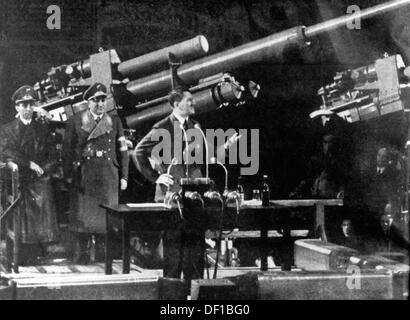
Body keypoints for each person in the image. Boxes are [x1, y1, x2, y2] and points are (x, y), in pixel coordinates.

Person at [132, 87, 239, 282]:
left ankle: (196, 296)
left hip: (195, 199)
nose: (193, 103)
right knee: (173, 256)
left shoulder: (194, 126)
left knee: (196, 254)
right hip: (172, 198)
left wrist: (225, 148)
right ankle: (172, 300)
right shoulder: (162, 127)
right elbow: (138, 152)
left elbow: (206, 155)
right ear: (176, 104)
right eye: (189, 100)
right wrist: (155, 177)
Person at [63, 83, 129, 264]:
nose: (100, 104)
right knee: (84, 216)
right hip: (84, 174)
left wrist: (124, 176)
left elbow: (122, 150)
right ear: (88, 102)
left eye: (103, 99)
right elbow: (67, 151)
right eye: (96, 100)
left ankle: (102, 253)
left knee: (106, 217)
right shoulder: (76, 120)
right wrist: (68, 175)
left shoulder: (114, 121)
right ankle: (82, 253)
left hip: (109, 174)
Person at [0, 85, 59, 265]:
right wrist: (29, 164)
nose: (27, 108)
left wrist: (44, 169)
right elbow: (6, 151)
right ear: (17, 107)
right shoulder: (7, 129)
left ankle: (39, 250)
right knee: (22, 211)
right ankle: (22, 252)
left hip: (39, 179)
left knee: (44, 198)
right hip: (18, 179)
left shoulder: (42, 129)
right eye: (23, 104)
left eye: (30, 104)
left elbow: (53, 155)